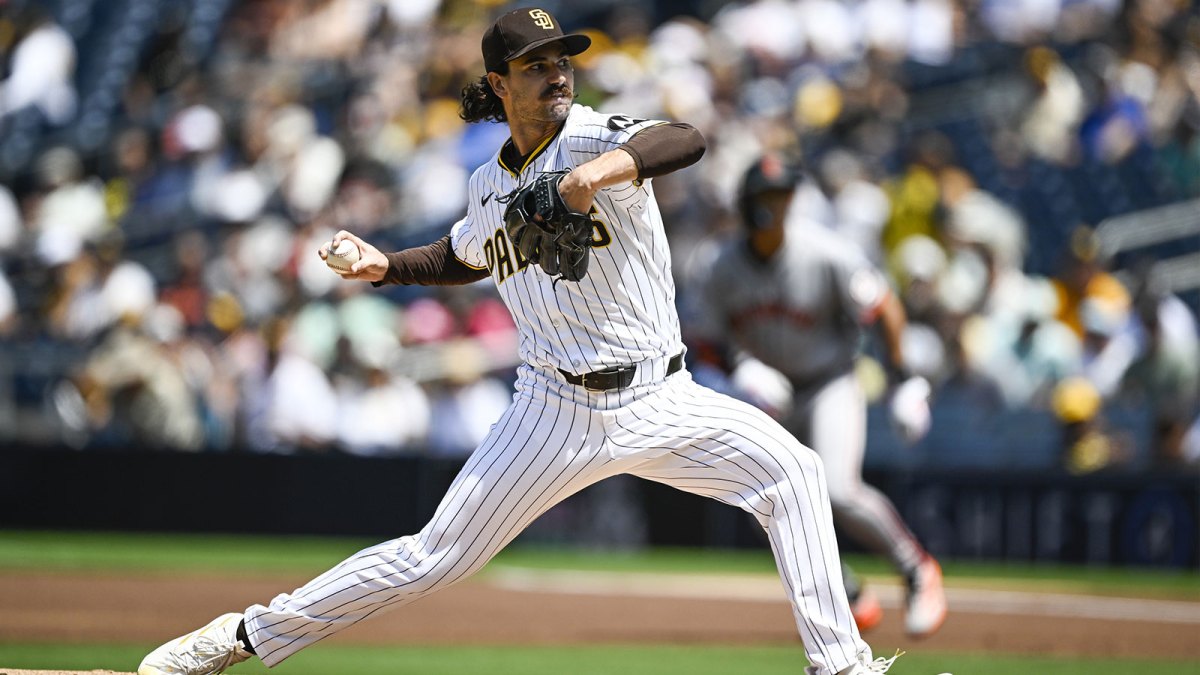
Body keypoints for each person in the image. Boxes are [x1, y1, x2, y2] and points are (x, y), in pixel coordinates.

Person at [138, 8, 897, 675]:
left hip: (663, 394)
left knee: (795, 474)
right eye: (535, 66)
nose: (555, 74)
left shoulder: (598, 132)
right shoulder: (487, 186)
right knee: (429, 559)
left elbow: (686, 138)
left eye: (561, 60)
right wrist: (384, 265)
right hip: (551, 410)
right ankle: (239, 635)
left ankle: (840, 667)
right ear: (500, 84)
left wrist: (589, 178)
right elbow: (464, 254)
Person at [697, 154, 947, 638]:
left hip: (828, 381)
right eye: (768, 198)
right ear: (749, 205)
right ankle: (849, 594)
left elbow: (883, 306)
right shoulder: (721, 265)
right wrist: (740, 368)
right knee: (763, 502)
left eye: (784, 196)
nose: (778, 206)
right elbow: (706, 338)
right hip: (769, 394)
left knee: (838, 490)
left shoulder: (824, 251)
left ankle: (917, 570)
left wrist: (905, 381)